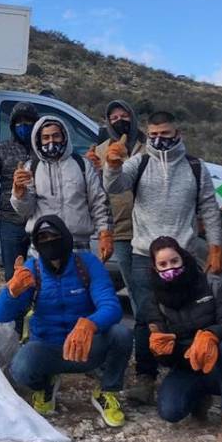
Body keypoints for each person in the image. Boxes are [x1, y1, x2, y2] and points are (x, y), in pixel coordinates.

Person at [102, 110, 222, 405]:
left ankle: (193, 372)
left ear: (177, 134)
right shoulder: (140, 162)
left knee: (190, 313)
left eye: (165, 135)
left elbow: (209, 207)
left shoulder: (195, 167)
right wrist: (112, 165)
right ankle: (146, 378)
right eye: (154, 135)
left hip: (183, 255)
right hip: (145, 254)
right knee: (146, 317)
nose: (159, 140)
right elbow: (114, 187)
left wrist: (216, 246)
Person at [0, 216, 130, 425]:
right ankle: (45, 385)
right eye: (43, 237)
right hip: (49, 347)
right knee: (20, 367)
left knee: (122, 334)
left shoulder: (87, 263)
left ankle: (106, 391)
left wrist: (89, 324)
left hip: (86, 347)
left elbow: (111, 306)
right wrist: (11, 292)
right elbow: (0, 315)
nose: (49, 241)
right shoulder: (33, 269)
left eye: (54, 236)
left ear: (66, 238)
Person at [146, 236, 222, 442]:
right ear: (155, 269)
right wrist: (160, 349)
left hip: (218, 363)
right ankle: (198, 398)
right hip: (186, 366)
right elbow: (164, 359)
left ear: (183, 258)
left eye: (174, 261)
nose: (170, 268)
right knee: (170, 412)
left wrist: (211, 334)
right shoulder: (154, 299)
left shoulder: (212, 284)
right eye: (162, 265)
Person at [10, 115, 111, 257]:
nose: (51, 141)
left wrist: (105, 233)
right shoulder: (31, 167)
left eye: (56, 136)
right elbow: (25, 211)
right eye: (46, 138)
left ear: (64, 137)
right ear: (38, 140)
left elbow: (98, 202)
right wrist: (19, 194)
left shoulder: (82, 164)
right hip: (42, 246)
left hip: (78, 246)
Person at [86, 100, 147, 308]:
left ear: (133, 116)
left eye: (124, 116)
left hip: (149, 228)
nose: (119, 121)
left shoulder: (148, 145)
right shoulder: (102, 150)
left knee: (153, 286)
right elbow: (98, 189)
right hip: (120, 229)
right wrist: (93, 169)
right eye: (114, 118)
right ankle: (143, 334)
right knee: (134, 288)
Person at [0, 102, 40, 280]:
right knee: (14, 275)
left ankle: (38, 307)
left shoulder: (43, 149)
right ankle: (16, 307)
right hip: (11, 221)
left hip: (39, 219)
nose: (24, 126)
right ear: (12, 125)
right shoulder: (2, 148)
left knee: (40, 273)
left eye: (28, 121)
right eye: (19, 122)